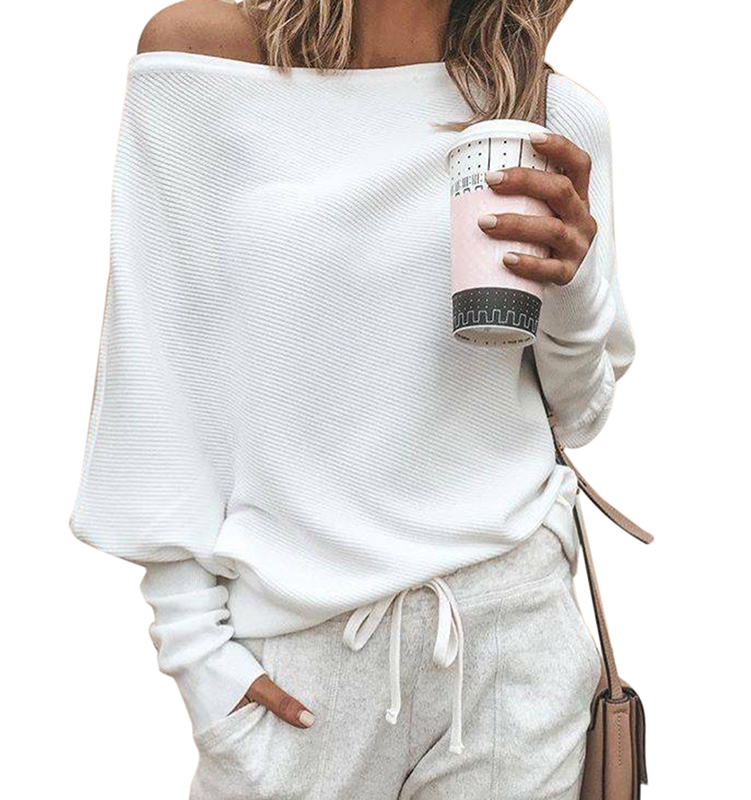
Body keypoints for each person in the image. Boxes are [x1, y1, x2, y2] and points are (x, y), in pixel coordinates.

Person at [69, 1, 635, 797]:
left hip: (512, 649)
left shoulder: (550, 114)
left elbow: (581, 412)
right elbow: (157, 367)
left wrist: (573, 287)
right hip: (296, 661)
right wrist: (196, 651)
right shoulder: (199, 62)